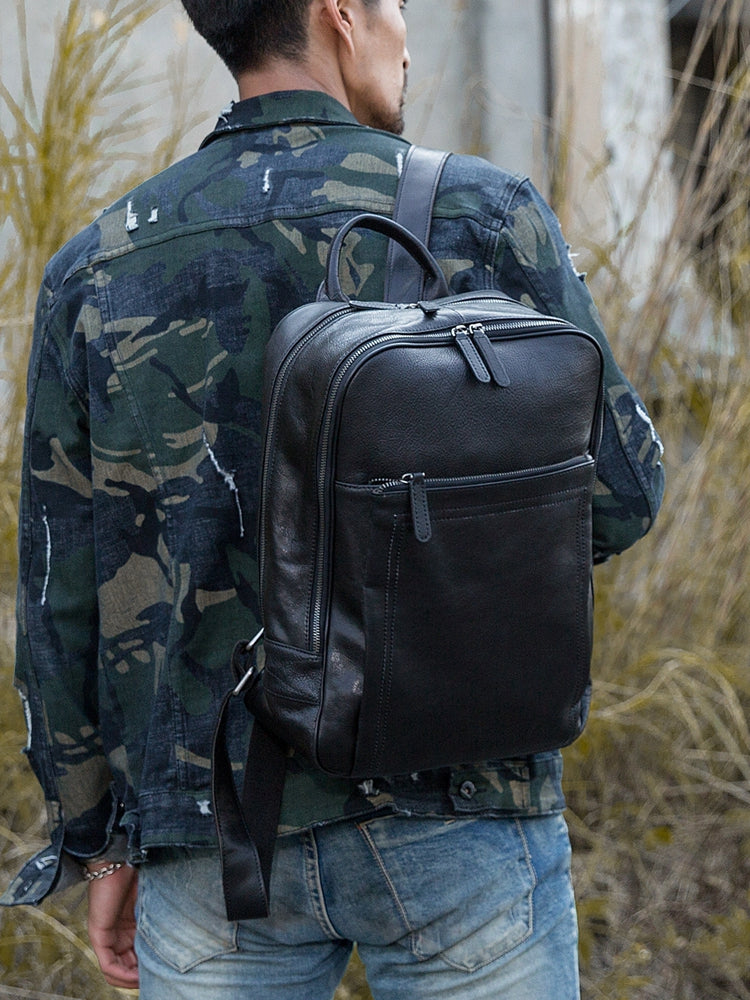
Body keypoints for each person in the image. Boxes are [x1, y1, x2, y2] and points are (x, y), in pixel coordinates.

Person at [1, 1, 664, 997]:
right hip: (460, 800)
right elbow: (621, 493)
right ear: (341, 13)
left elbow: (61, 600)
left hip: (210, 834)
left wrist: (98, 843)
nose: (407, 33)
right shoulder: (482, 214)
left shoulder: (96, 266)